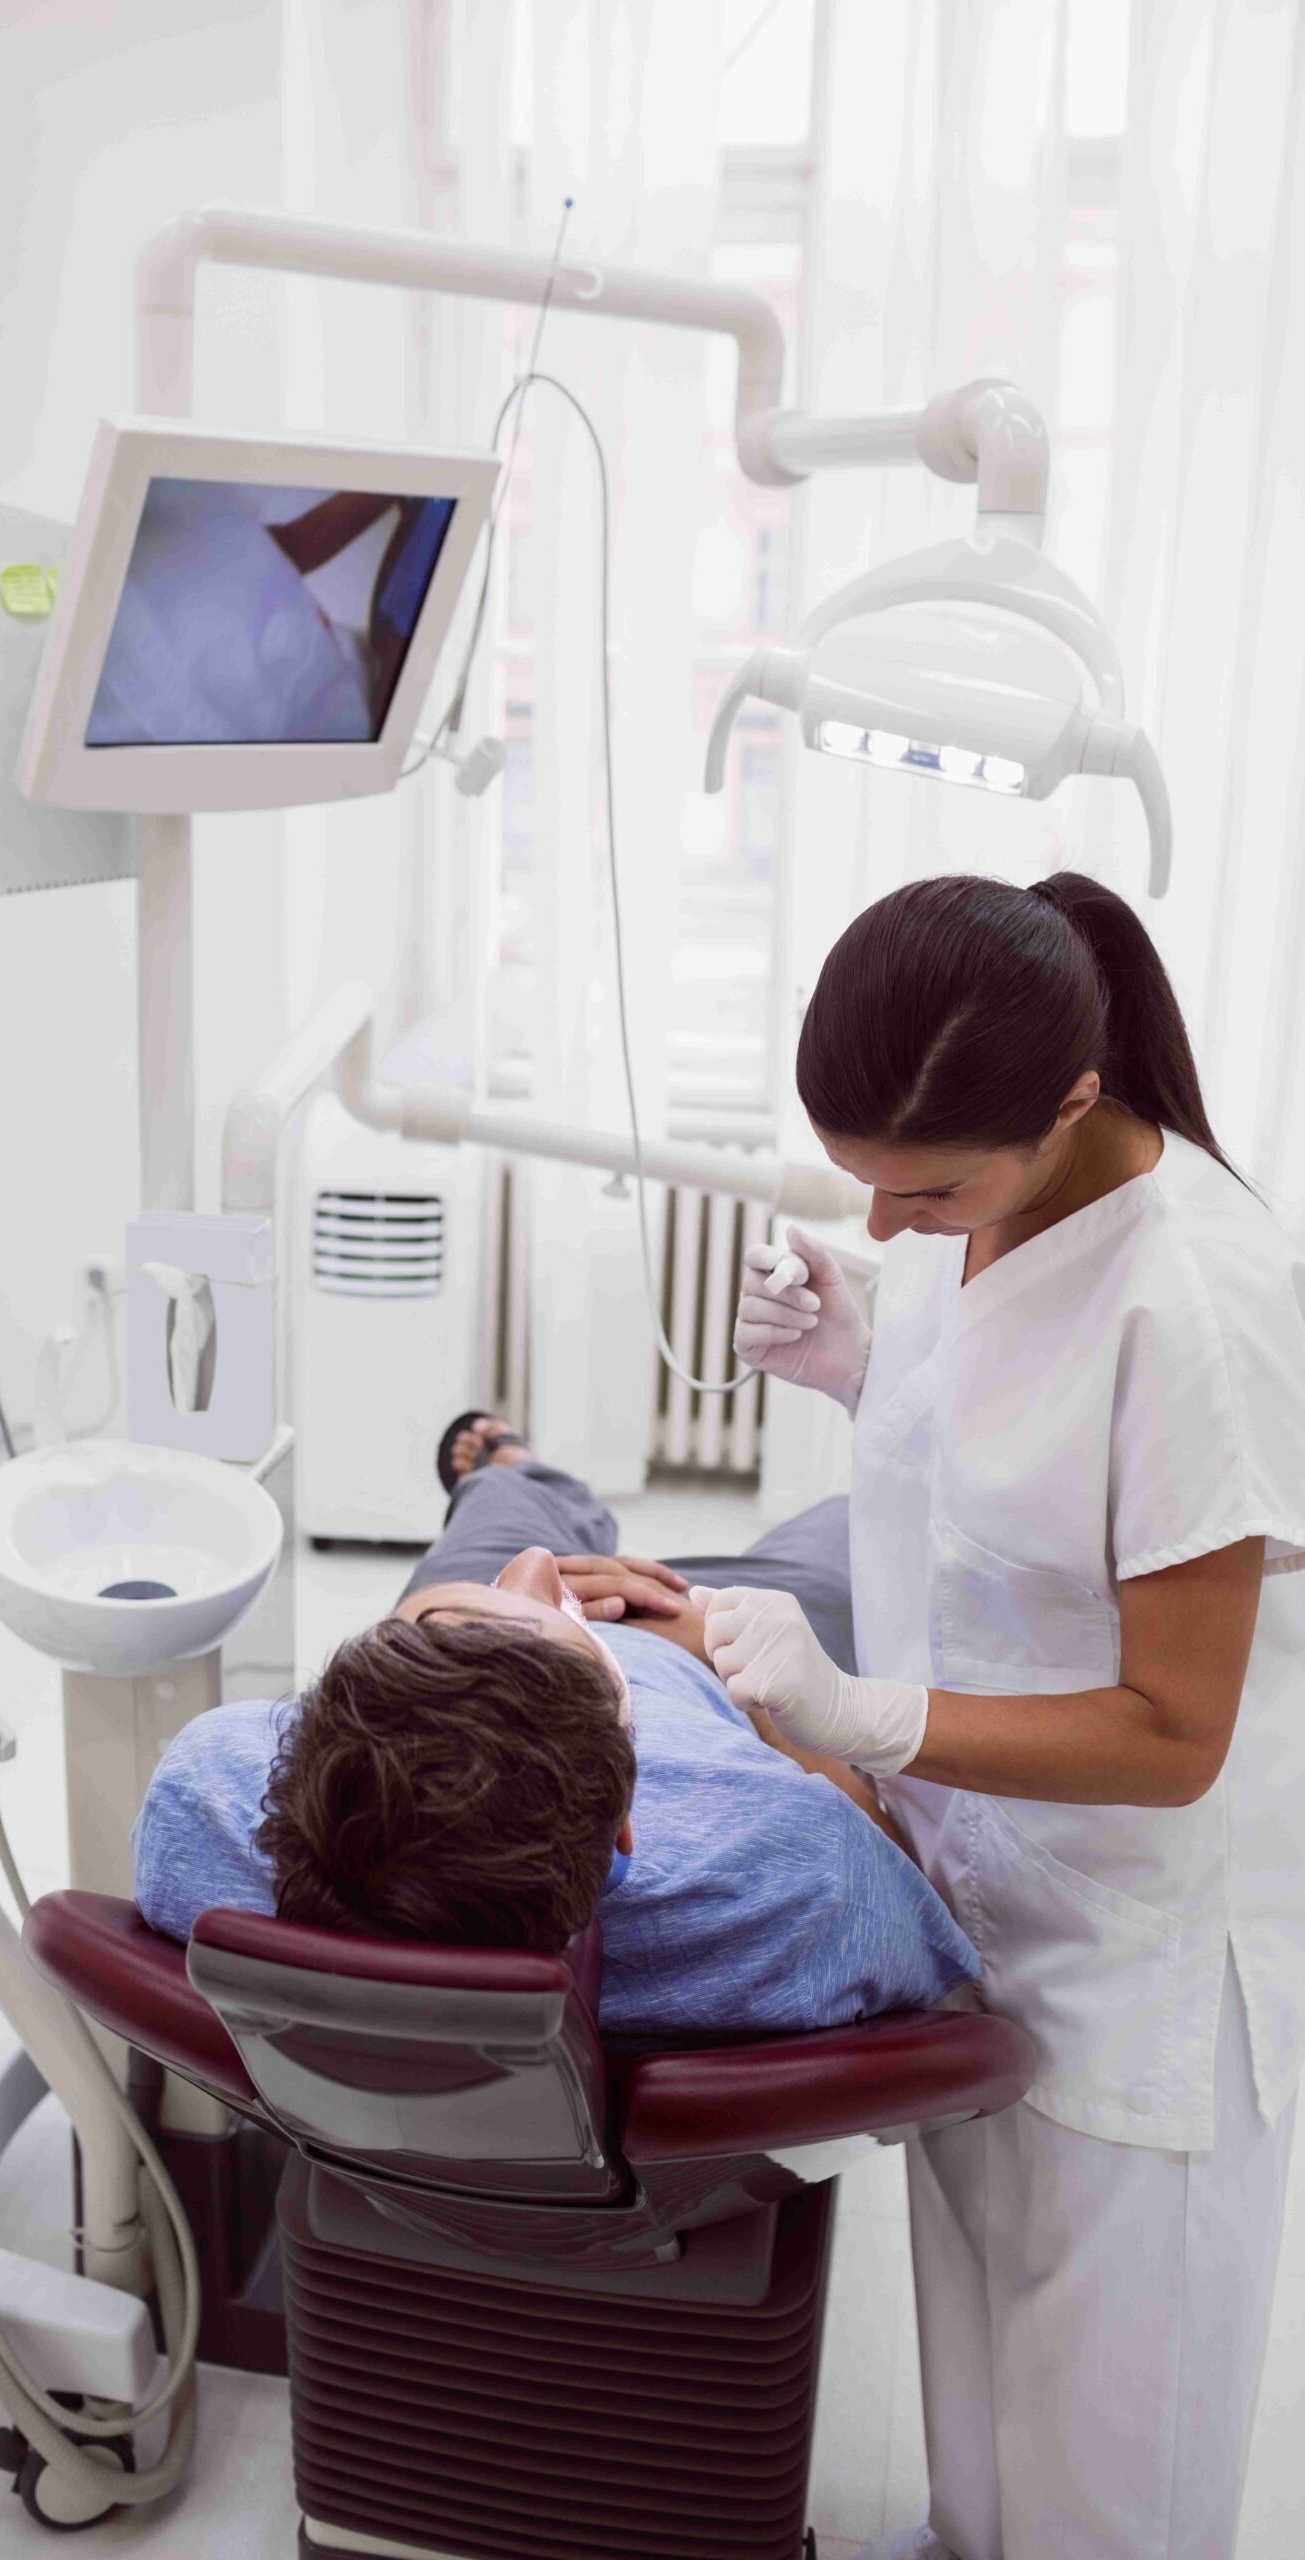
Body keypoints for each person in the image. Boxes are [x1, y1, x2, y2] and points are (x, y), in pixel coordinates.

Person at [719, 871, 1305, 2560]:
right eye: (863, 1184)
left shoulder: (1193, 1307)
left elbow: (1172, 1733)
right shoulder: (994, 1202)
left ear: (1068, 1102)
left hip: (1132, 1953)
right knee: (977, 2398)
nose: (887, 1221)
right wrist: (860, 1362)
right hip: (972, 1896)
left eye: (922, 1190)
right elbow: (1003, 1476)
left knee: (1104, 2464)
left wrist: (863, 1714)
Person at [133, 1415, 977, 2043]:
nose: (536, 1571)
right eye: (569, 1633)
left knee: (507, 1506)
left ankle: (512, 1476)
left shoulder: (199, 1795)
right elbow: (926, 1910)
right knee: (854, 1525)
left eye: (441, 1621)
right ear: (623, 1829)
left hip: (435, 1682)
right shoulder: (803, 1880)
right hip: (701, 1648)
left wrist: (434, 1662)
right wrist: (762, 1695)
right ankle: (518, 1497)